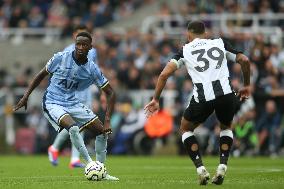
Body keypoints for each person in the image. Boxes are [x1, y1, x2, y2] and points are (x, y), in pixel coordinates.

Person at [144, 20, 250, 185]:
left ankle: (200, 168)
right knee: (226, 127)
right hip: (227, 94)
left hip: (203, 97)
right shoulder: (220, 43)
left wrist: (156, 99)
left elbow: (164, 75)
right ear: (205, 33)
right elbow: (244, 60)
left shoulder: (185, 50)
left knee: (185, 128)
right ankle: (222, 165)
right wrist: (247, 85)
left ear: (188, 35)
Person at [14, 31, 119, 181]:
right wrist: (26, 97)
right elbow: (41, 74)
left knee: (102, 132)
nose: (80, 47)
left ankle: (101, 171)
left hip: (72, 102)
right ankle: (90, 165)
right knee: (74, 128)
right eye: (78, 44)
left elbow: (110, 92)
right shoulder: (61, 57)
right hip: (52, 102)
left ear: (90, 47)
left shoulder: (91, 68)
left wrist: (107, 119)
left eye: (84, 45)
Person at [46, 25, 110, 172]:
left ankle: (71, 156)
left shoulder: (92, 52)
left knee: (79, 126)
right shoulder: (68, 51)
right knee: (74, 126)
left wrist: (100, 94)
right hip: (69, 96)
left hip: (84, 94)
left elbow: (94, 72)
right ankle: (56, 148)